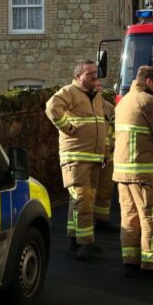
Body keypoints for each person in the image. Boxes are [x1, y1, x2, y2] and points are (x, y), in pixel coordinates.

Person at [113, 65, 153, 281]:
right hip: (145, 173)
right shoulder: (150, 101)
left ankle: (130, 263)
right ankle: (152, 266)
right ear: (149, 81)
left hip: (122, 173)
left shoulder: (123, 102)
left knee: (129, 218)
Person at [45, 60, 107, 260]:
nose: (95, 77)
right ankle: (86, 244)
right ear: (79, 76)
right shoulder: (70, 92)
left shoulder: (96, 96)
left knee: (79, 200)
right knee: (83, 199)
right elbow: (51, 107)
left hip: (93, 157)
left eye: (96, 73)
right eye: (90, 74)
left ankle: (75, 238)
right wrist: (68, 128)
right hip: (76, 157)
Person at [93, 92, 117, 231]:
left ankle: (102, 219)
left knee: (106, 189)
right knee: (90, 191)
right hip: (93, 155)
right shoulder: (84, 108)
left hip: (109, 156)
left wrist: (111, 147)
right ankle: (89, 223)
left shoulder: (109, 108)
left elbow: (114, 130)